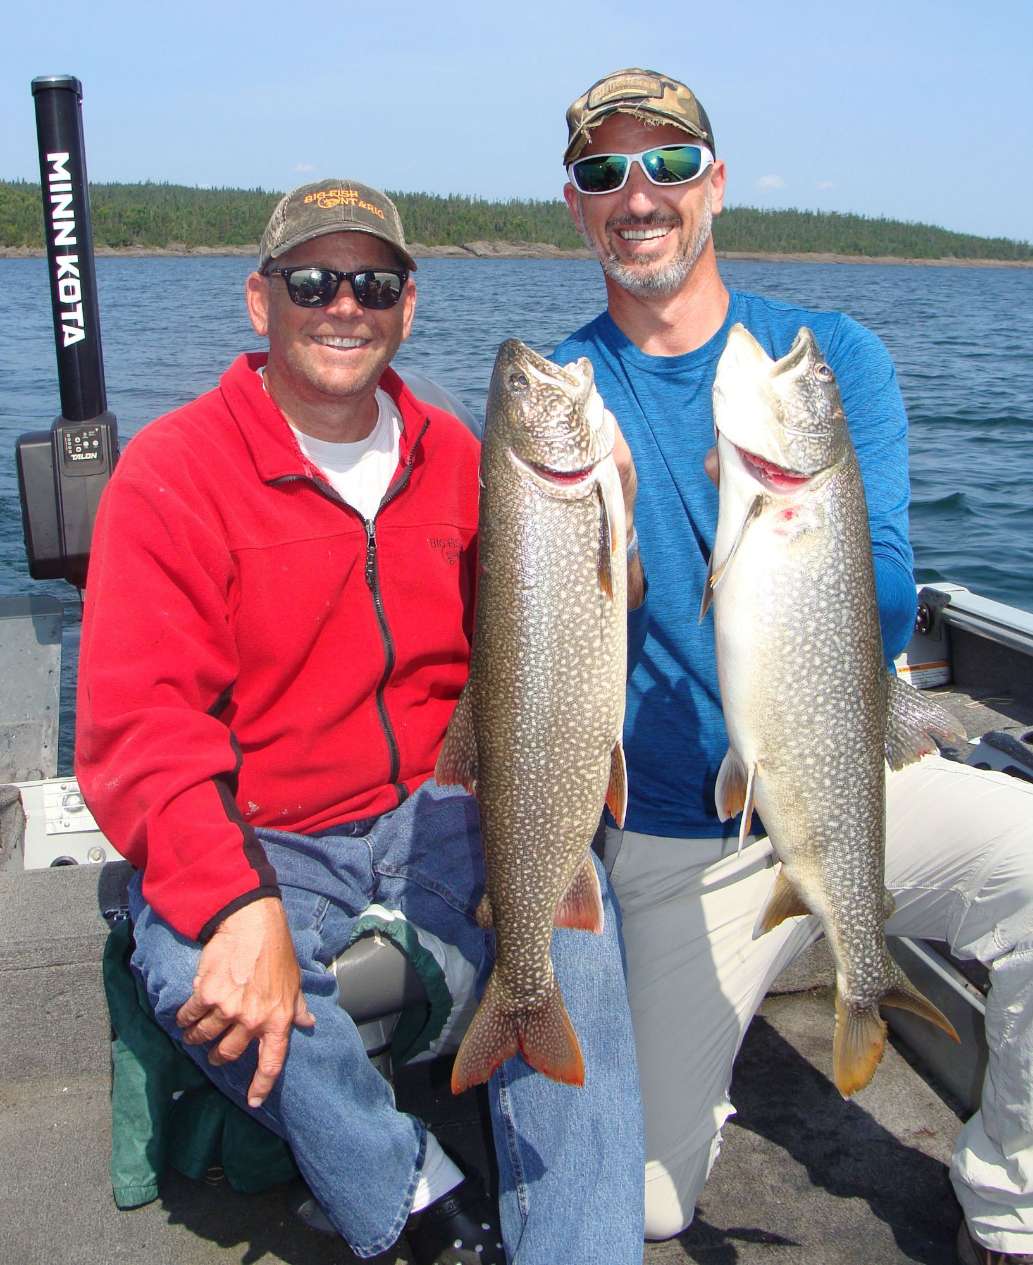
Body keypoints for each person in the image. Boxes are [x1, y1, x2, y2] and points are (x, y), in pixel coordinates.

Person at [75, 178, 645, 1265]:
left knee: (579, 915)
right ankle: (412, 1205)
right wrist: (236, 901)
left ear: (408, 305)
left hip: (437, 808)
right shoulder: (172, 473)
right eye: (313, 280)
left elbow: (559, 645)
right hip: (272, 834)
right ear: (260, 299)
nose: (345, 304)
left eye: (373, 282)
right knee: (193, 955)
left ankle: (584, 1247)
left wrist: (610, 528)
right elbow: (139, 731)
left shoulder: (471, 460)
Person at [553, 68, 1033, 1265]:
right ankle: (688, 1072)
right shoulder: (559, 399)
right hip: (681, 830)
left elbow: (879, 599)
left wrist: (792, 509)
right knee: (647, 1202)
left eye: (667, 165)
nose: (638, 195)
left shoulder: (824, 362)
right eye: (604, 171)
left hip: (849, 774)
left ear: (713, 186)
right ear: (576, 206)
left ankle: (1008, 1203)